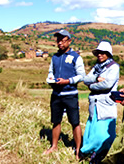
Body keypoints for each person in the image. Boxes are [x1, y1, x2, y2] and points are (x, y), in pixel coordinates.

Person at [44, 29, 85, 160]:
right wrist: (51, 79)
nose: (60, 43)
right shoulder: (55, 57)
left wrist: (67, 81)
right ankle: (54, 146)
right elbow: (51, 72)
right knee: (56, 121)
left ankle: (78, 149)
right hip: (56, 94)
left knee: (75, 122)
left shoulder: (76, 57)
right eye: (58, 40)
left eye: (63, 40)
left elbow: (81, 76)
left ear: (69, 41)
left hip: (70, 94)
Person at [80, 41, 119, 163]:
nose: (100, 55)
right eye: (98, 53)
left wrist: (92, 86)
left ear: (108, 54)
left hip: (106, 104)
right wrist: (96, 79)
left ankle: (102, 153)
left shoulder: (113, 67)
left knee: (103, 133)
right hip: (94, 104)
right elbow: (85, 79)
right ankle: (91, 152)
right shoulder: (96, 67)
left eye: (103, 53)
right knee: (93, 128)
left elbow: (107, 84)